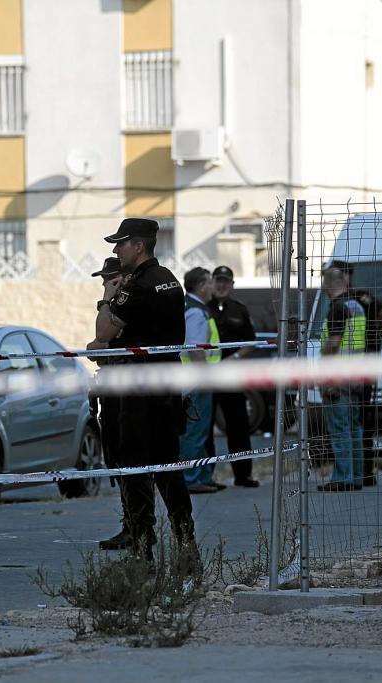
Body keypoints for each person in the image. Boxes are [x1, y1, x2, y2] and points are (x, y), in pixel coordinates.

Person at [94, 217, 197, 562]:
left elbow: (105, 335)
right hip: (167, 386)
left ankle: (142, 551)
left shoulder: (136, 285)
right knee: (169, 469)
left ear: (139, 246)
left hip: (138, 390)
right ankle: (187, 546)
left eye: (121, 243)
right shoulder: (168, 279)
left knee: (136, 469)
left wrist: (107, 297)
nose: (115, 249)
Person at [329, 260, 382, 486]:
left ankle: (360, 472)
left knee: (355, 421)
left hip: (350, 368)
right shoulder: (359, 298)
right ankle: (363, 472)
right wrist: (376, 336)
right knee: (360, 420)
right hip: (364, 365)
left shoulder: (354, 298)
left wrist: (375, 335)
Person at [85, 256, 131, 550]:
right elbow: (93, 349)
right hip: (110, 392)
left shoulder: (123, 304)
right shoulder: (110, 307)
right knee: (116, 458)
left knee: (130, 461)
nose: (104, 283)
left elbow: (100, 344)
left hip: (125, 394)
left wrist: (100, 346)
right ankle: (130, 523)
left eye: (108, 278)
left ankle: (136, 526)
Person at [208, 264, 261, 488]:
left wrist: (234, 360)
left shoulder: (239, 309)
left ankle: (243, 474)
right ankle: (205, 477)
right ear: (212, 283)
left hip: (231, 375)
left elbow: (250, 342)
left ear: (232, 285)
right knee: (204, 428)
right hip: (207, 376)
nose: (221, 285)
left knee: (238, 427)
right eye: (218, 281)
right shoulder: (202, 307)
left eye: (225, 281)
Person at [317, 265, 367, 492]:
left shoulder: (337, 308)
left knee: (339, 428)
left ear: (327, 285)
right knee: (353, 427)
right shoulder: (356, 306)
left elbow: (334, 341)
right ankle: (356, 475)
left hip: (337, 377)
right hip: (355, 374)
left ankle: (342, 477)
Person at [180, 267, 223, 494]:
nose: (212, 288)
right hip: (196, 382)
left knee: (199, 433)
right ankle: (191, 478)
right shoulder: (195, 312)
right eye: (209, 283)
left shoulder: (192, 308)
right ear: (200, 286)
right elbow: (197, 351)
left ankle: (200, 476)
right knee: (195, 433)